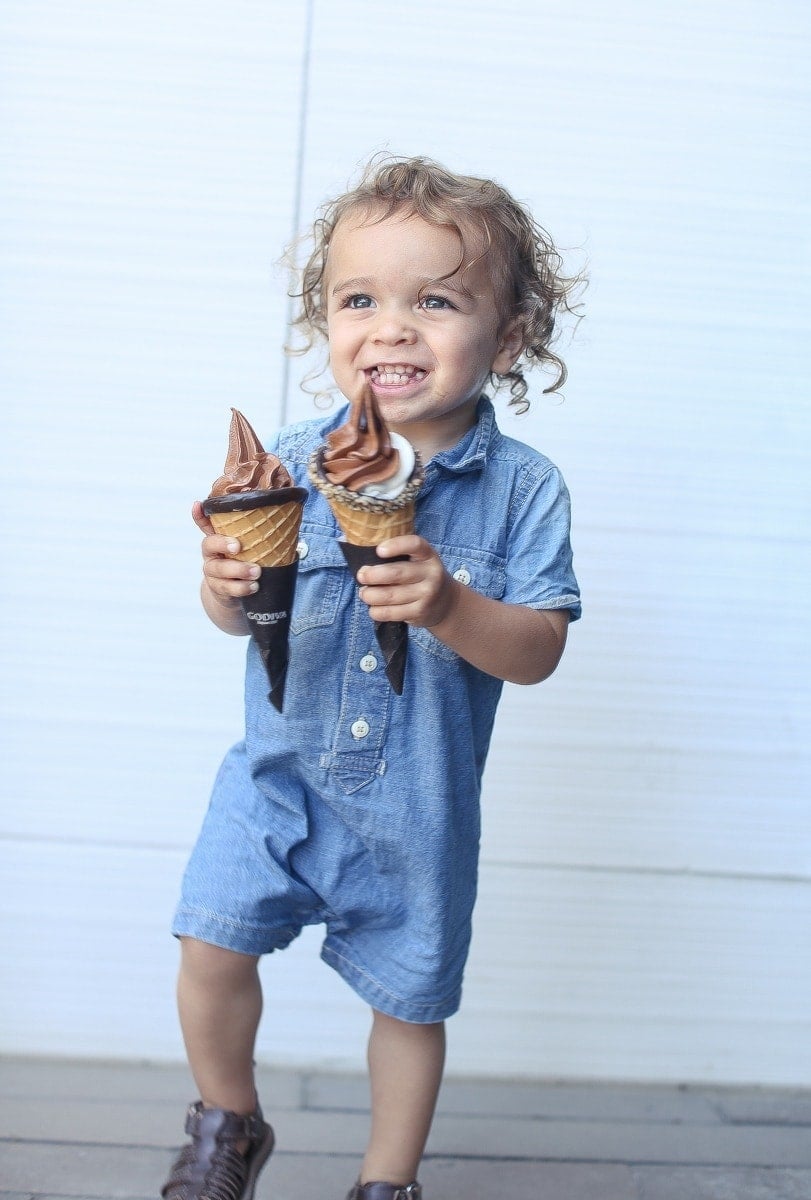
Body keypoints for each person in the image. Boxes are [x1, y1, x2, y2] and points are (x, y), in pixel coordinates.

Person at [162, 155, 582, 1200]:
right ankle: (227, 1120)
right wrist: (221, 579)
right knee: (210, 944)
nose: (390, 327)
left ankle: (385, 1181)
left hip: (416, 804)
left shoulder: (523, 491)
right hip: (276, 779)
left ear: (511, 333)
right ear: (328, 320)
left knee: (411, 1001)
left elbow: (536, 650)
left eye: (434, 301)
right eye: (361, 300)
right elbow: (237, 616)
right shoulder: (289, 467)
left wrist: (449, 605)